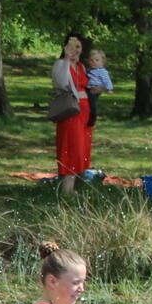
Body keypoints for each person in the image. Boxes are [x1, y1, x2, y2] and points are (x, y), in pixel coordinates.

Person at [52, 33, 91, 193]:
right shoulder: (61, 64)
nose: (75, 51)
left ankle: (74, 187)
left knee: (81, 150)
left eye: (78, 47)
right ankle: (66, 191)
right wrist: (67, 59)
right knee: (71, 148)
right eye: (71, 46)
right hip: (70, 113)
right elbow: (61, 82)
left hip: (84, 114)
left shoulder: (81, 66)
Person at [84, 49, 113, 130]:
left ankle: (92, 119)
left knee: (92, 105)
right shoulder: (89, 70)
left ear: (102, 61)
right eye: (91, 60)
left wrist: (109, 89)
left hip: (94, 90)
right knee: (89, 103)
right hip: (88, 88)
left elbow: (107, 80)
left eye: (97, 60)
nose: (94, 62)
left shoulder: (102, 71)